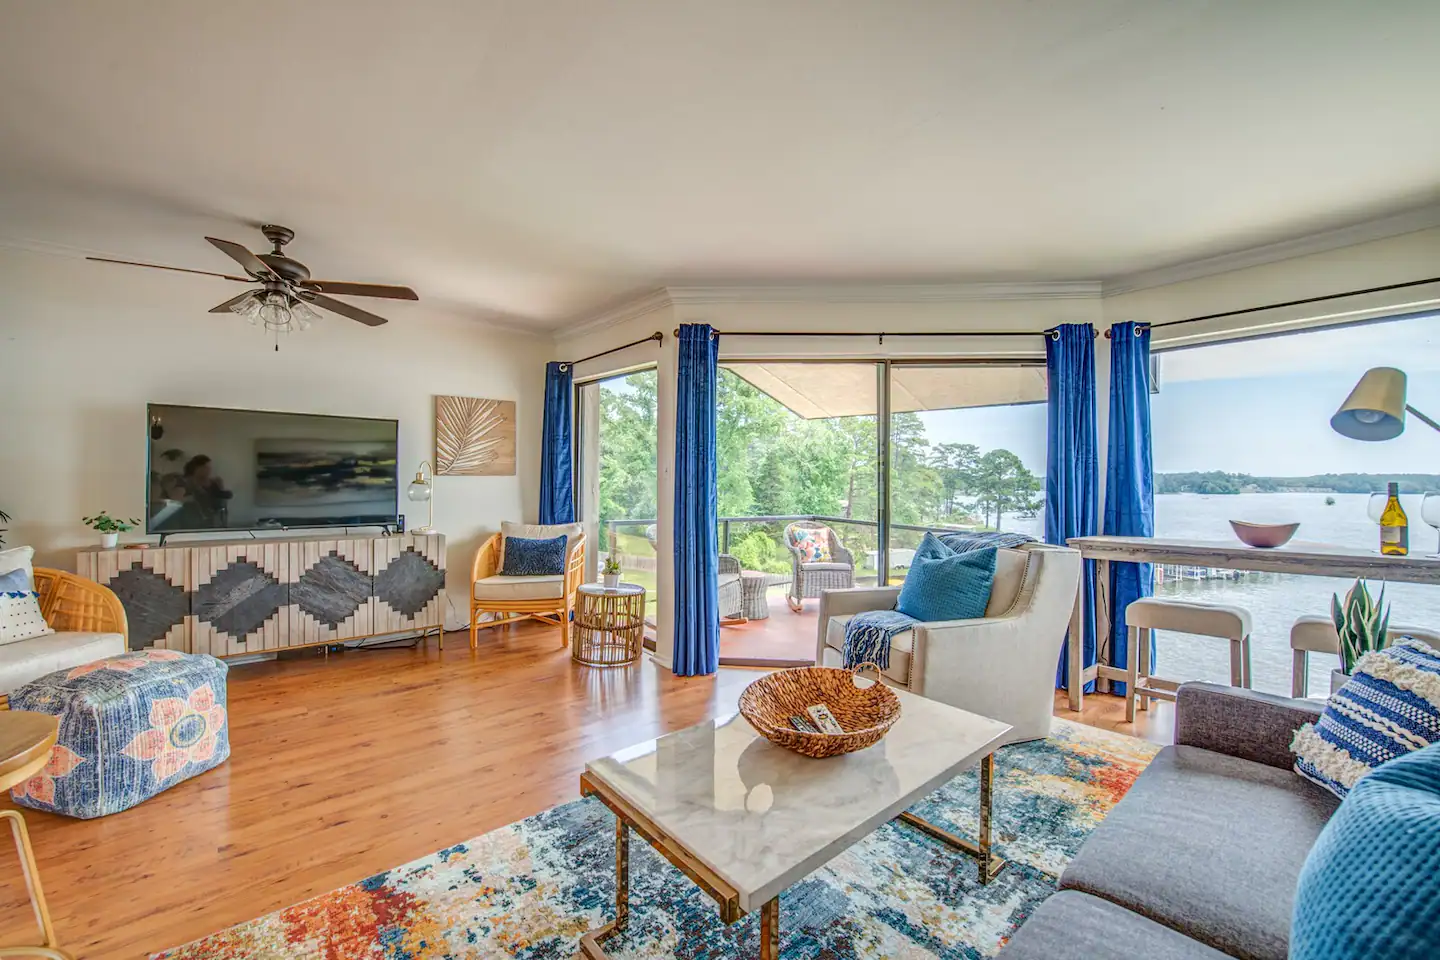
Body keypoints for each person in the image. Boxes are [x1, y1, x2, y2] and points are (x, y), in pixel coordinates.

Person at [183, 455, 233, 528]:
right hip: (192, 523)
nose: (209, 470)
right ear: (197, 468)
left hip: (212, 523)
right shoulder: (187, 482)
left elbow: (220, 503)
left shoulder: (213, 483)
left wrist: (221, 489)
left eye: (210, 468)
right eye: (206, 467)